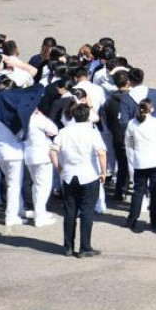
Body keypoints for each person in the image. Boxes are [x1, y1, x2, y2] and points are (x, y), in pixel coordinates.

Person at [50, 103, 106, 258]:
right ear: (88, 116)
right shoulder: (92, 132)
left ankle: (68, 246)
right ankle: (84, 247)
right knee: (87, 211)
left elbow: (53, 152)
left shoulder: (64, 131)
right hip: (89, 175)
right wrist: (103, 172)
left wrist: (59, 169)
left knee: (70, 212)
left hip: (69, 175)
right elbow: (101, 153)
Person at [124, 99, 156, 232]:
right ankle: (154, 219)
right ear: (152, 109)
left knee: (138, 192)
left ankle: (132, 218)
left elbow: (129, 141)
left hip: (141, 162)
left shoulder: (132, 123)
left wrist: (136, 150)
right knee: (155, 191)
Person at [22, 106, 58, 226]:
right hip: (42, 155)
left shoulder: (22, 118)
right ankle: (40, 217)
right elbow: (54, 129)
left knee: (36, 186)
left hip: (29, 154)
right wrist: (42, 116)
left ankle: (39, 212)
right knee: (44, 187)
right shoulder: (38, 118)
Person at [0, 116, 24, 225]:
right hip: (14, 153)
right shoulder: (13, 119)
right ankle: (11, 216)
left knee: (11, 184)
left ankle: (18, 208)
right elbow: (21, 134)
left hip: (0, 152)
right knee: (14, 186)